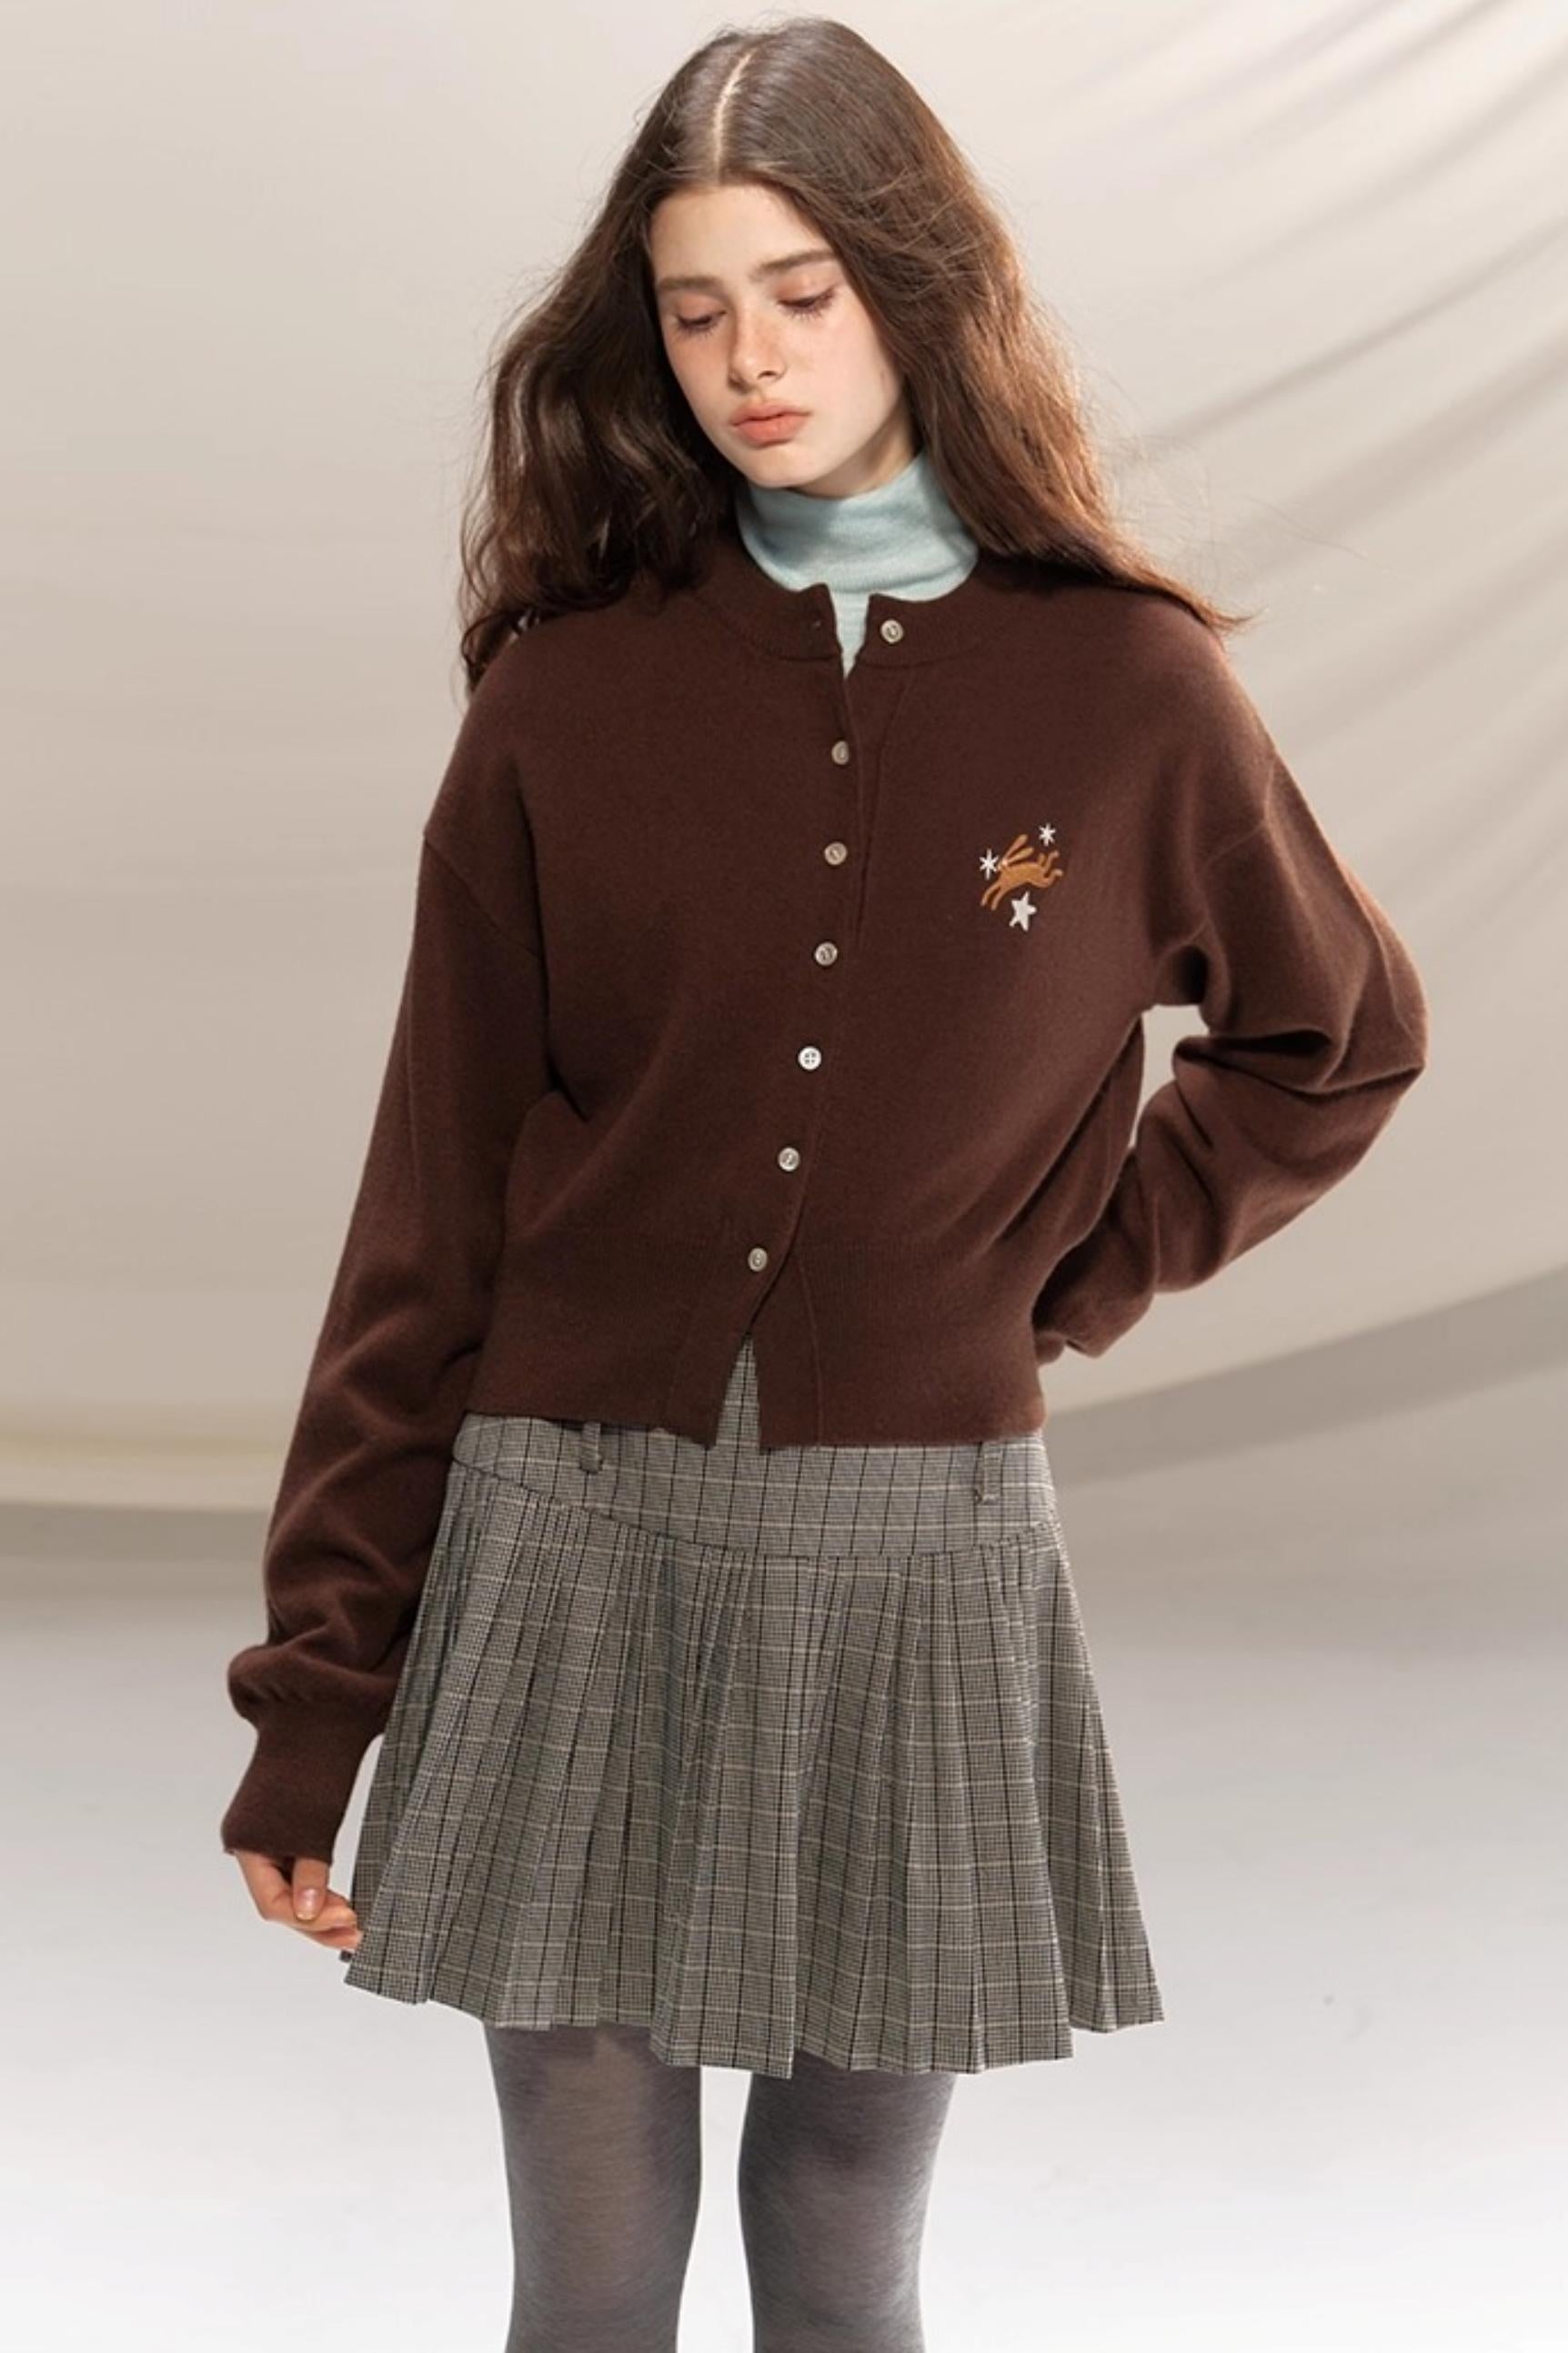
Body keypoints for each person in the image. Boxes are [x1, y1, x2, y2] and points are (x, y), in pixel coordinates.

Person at [219, 18, 1429, 2350]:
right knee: (587, 2267)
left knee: (848, 2241)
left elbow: (1336, 1034)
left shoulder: (1125, 688)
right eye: (695, 311)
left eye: (801, 292)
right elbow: (427, 1223)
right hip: (564, 1526)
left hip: (917, 1536)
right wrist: (315, 1693)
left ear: (918, 288)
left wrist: (1061, 1276)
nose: (749, 362)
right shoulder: (566, 696)